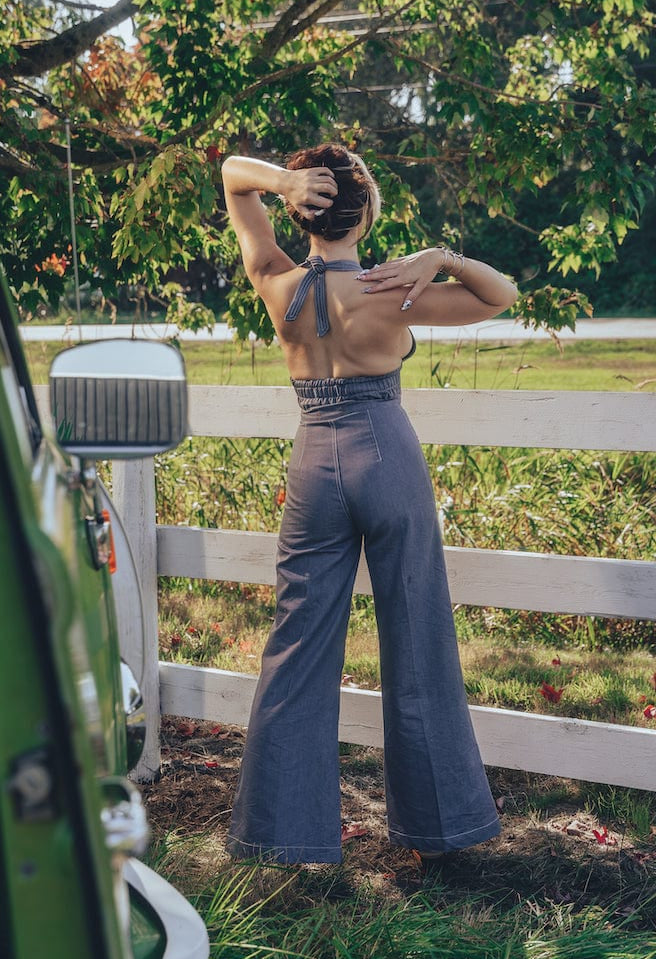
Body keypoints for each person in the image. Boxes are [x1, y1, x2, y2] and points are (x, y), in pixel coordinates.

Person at [221, 144, 518, 865]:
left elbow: (232, 175)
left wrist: (280, 180)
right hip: (386, 454)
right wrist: (439, 256)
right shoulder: (395, 292)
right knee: (417, 637)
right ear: (370, 212)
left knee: (295, 646)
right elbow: (500, 293)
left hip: (313, 460)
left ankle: (282, 840)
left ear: (298, 215)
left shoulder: (277, 283)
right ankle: (438, 836)